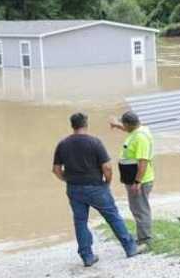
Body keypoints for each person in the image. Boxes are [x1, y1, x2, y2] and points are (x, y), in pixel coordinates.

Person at [52, 112, 144, 267]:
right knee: (113, 216)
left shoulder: (63, 144)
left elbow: (56, 169)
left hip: (74, 189)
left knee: (80, 222)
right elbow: (107, 167)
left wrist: (67, 179)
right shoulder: (95, 142)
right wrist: (107, 182)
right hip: (96, 187)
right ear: (86, 124)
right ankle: (130, 247)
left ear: (72, 125)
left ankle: (87, 257)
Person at [110, 110, 156, 245]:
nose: (124, 128)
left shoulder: (140, 138)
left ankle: (145, 239)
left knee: (140, 209)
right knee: (137, 207)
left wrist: (137, 181)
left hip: (139, 180)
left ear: (129, 124)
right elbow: (129, 129)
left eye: (124, 125)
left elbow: (143, 161)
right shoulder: (138, 130)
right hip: (134, 178)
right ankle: (143, 235)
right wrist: (117, 125)